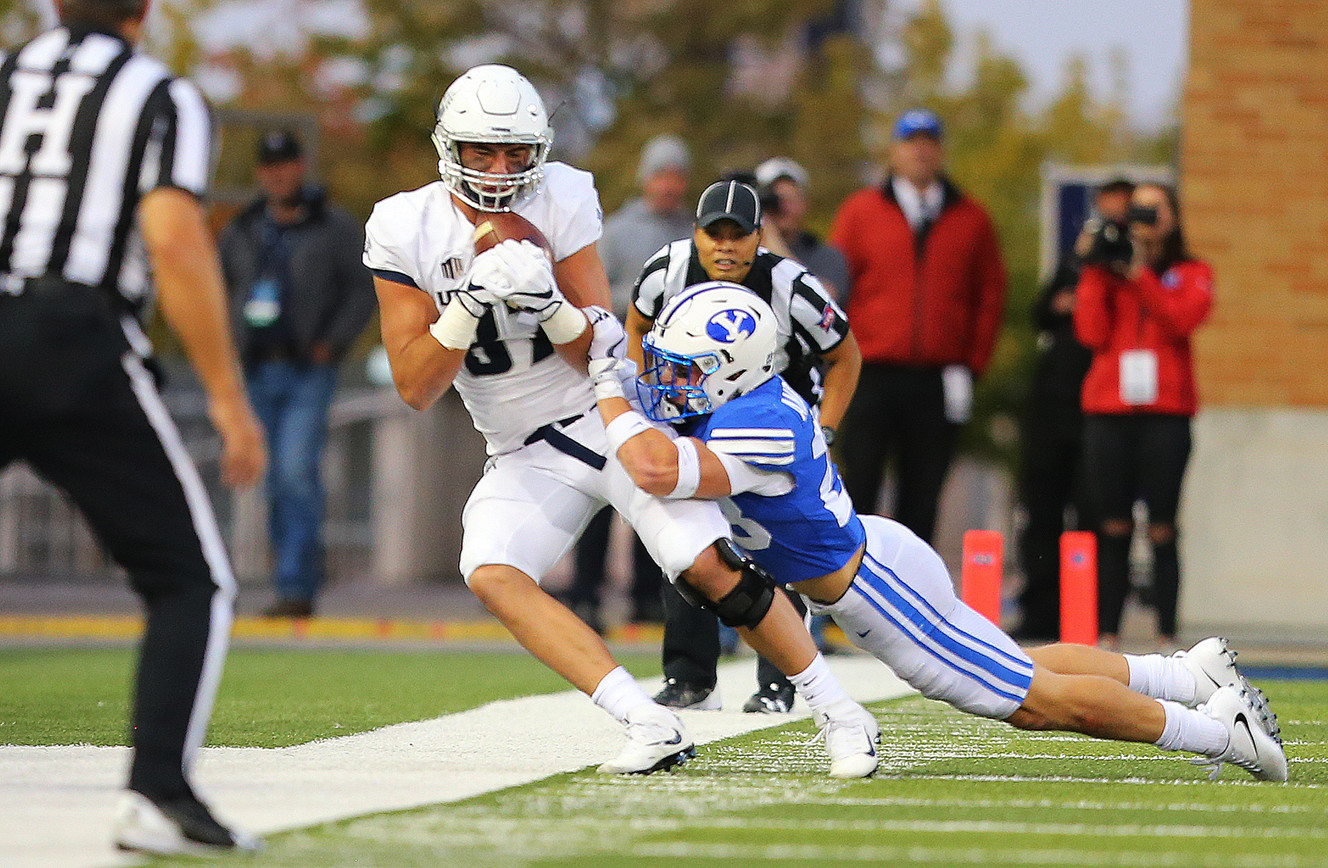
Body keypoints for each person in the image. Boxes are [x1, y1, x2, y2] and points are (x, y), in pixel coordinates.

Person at [363, 64, 878, 779]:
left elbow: (599, 349)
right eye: (483, 151)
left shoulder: (565, 195)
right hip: (520, 449)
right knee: (489, 571)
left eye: (516, 153)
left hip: (607, 414)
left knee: (708, 567)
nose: (500, 169)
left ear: (538, 152)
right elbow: (417, 386)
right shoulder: (402, 225)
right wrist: (468, 304)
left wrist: (548, 303)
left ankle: (840, 712)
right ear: (450, 147)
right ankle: (645, 720)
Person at [592, 281, 1287, 784]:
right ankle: (1187, 675)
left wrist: (608, 390)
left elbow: (655, 469)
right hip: (875, 561)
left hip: (876, 592)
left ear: (733, 371)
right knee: (1027, 667)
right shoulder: (740, 396)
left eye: (687, 370)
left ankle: (1222, 733)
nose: (670, 382)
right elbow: (654, 410)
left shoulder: (757, 424)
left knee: (1035, 704)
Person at [0, 0, 267, 854]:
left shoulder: (7, 76)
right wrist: (228, 397)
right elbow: (173, 237)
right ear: (143, 9)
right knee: (189, 577)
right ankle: (157, 792)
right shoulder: (158, 93)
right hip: (70, 338)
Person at [627, 179, 862, 714]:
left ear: (761, 237)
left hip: (770, 422)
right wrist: (652, 404)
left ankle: (779, 681)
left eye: (739, 234)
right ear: (696, 235)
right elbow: (638, 324)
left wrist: (822, 429)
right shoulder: (666, 269)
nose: (726, 246)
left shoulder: (792, 286)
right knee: (683, 534)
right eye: (715, 234)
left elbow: (846, 355)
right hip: (695, 411)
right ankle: (689, 676)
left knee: (770, 544)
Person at [829, 108, 1007, 542]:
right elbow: (833, 291)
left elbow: (989, 294)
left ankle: (913, 596)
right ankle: (852, 589)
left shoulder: (971, 218)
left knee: (924, 491)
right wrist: (836, 358)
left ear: (941, 150)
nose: (920, 151)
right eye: (911, 142)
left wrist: (971, 363)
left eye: (930, 141)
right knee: (860, 482)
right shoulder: (861, 212)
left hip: (937, 377)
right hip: (870, 371)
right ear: (894, 151)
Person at [219, 130, 376, 619]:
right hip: (257, 368)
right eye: (271, 165)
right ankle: (292, 577)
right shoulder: (242, 229)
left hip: (309, 367)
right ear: (261, 174)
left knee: (295, 472)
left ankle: (297, 583)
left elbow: (363, 287)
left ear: (301, 166)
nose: (280, 173)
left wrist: (334, 341)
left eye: (288, 163)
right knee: (272, 479)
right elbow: (219, 288)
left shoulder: (333, 226)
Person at [1074, 182, 1212, 651]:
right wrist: (1094, 267)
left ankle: (1167, 634)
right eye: (1140, 210)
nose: (1146, 218)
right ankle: (1107, 633)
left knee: (1162, 527)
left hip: (1166, 415)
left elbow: (1181, 320)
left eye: (1156, 209)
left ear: (1173, 215)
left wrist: (1141, 275)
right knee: (1112, 524)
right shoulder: (1106, 272)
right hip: (1109, 412)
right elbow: (1089, 332)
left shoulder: (1192, 271)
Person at [563, 133, 693, 631]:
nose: (668, 184)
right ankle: (585, 592)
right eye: (661, 174)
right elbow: (590, 291)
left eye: (676, 175)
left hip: (673, 373)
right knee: (602, 479)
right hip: (618, 371)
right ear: (646, 178)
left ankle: (647, 594)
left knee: (656, 477)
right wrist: (647, 293)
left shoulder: (693, 233)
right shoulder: (615, 231)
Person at [1014, 177, 1134, 641]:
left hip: (1101, 400)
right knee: (1042, 510)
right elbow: (1042, 310)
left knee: (1093, 513)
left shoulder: (1134, 267)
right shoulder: (1078, 260)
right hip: (1055, 398)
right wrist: (1084, 263)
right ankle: (1040, 611)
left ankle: (1088, 613)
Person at [754, 157, 850, 301]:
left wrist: (775, 244)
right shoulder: (742, 251)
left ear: (805, 204)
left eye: (790, 200)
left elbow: (825, 301)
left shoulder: (826, 255)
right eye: (775, 200)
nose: (783, 208)